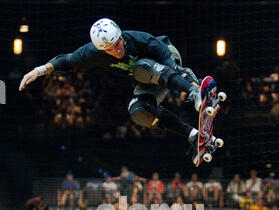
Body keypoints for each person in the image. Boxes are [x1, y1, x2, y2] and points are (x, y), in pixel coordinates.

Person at [19, 18, 206, 164]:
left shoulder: (140, 39)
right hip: (146, 80)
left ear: (121, 36)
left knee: (142, 67)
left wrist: (194, 87)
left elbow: (170, 64)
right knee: (138, 110)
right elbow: (67, 60)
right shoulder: (93, 52)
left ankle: (193, 92)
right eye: (110, 50)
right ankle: (193, 135)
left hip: (167, 58)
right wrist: (39, 70)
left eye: (118, 44)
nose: (116, 51)